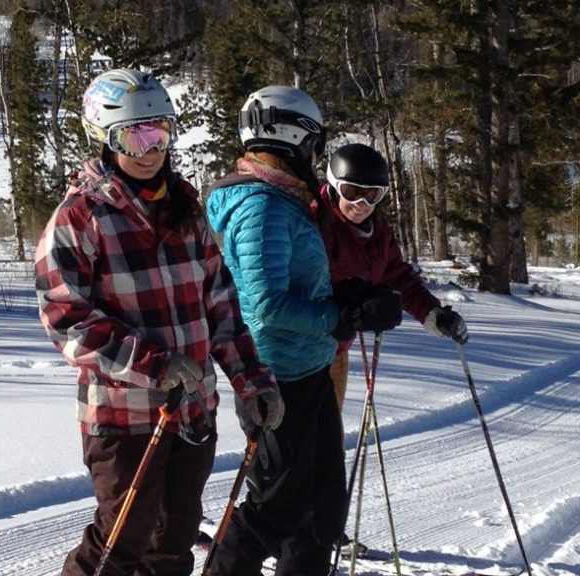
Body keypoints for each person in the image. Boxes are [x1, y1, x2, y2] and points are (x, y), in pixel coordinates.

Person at [34, 68, 284, 576]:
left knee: (172, 546)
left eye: (160, 132)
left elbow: (222, 309)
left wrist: (253, 382)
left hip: (192, 410)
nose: (150, 148)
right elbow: (65, 317)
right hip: (124, 416)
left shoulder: (187, 211)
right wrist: (153, 364)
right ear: (104, 138)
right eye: (135, 134)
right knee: (120, 542)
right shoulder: (81, 217)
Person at [204, 85, 403, 576]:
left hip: (307, 368)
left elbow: (296, 279)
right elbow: (264, 305)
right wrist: (338, 317)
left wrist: (347, 296)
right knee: (276, 507)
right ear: (294, 138)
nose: (316, 154)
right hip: (276, 375)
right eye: (315, 142)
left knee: (321, 511)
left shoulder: (282, 198)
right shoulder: (261, 207)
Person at [316, 142, 469, 413]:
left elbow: (397, 275)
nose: (361, 204)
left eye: (372, 196)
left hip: (335, 353)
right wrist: (348, 306)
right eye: (352, 193)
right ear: (333, 185)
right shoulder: (315, 221)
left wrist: (434, 314)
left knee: (328, 445)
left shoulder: (376, 231)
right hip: (300, 355)